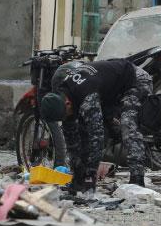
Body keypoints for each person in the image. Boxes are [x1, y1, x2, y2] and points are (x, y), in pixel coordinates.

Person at [40, 59, 152, 193]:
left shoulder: (87, 97)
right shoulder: (63, 98)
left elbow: (96, 137)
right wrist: (78, 174)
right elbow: (72, 141)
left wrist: (90, 174)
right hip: (109, 88)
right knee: (82, 129)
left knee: (127, 122)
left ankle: (137, 178)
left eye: (65, 115)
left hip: (134, 79)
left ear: (67, 103)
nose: (66, 118)